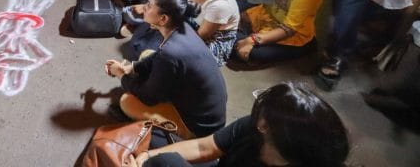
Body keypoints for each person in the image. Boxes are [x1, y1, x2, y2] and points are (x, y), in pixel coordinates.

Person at [105, 0, 227, 139]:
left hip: (199, 127)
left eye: (149, 5)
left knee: (127, 102)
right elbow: (156, 57)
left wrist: (121, 75)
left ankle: (178, 135)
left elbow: (148, 97)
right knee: (147, 55)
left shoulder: (170, 53)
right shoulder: (183, 28)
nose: (144, 7)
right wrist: (132, 67)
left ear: (163, 19)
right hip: (206, 111)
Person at [130, 82, 349, 167]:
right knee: (151, 142)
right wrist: (148, 157)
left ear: (268, 127)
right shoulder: (255, 128)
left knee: (166, 161)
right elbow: (204, 147)